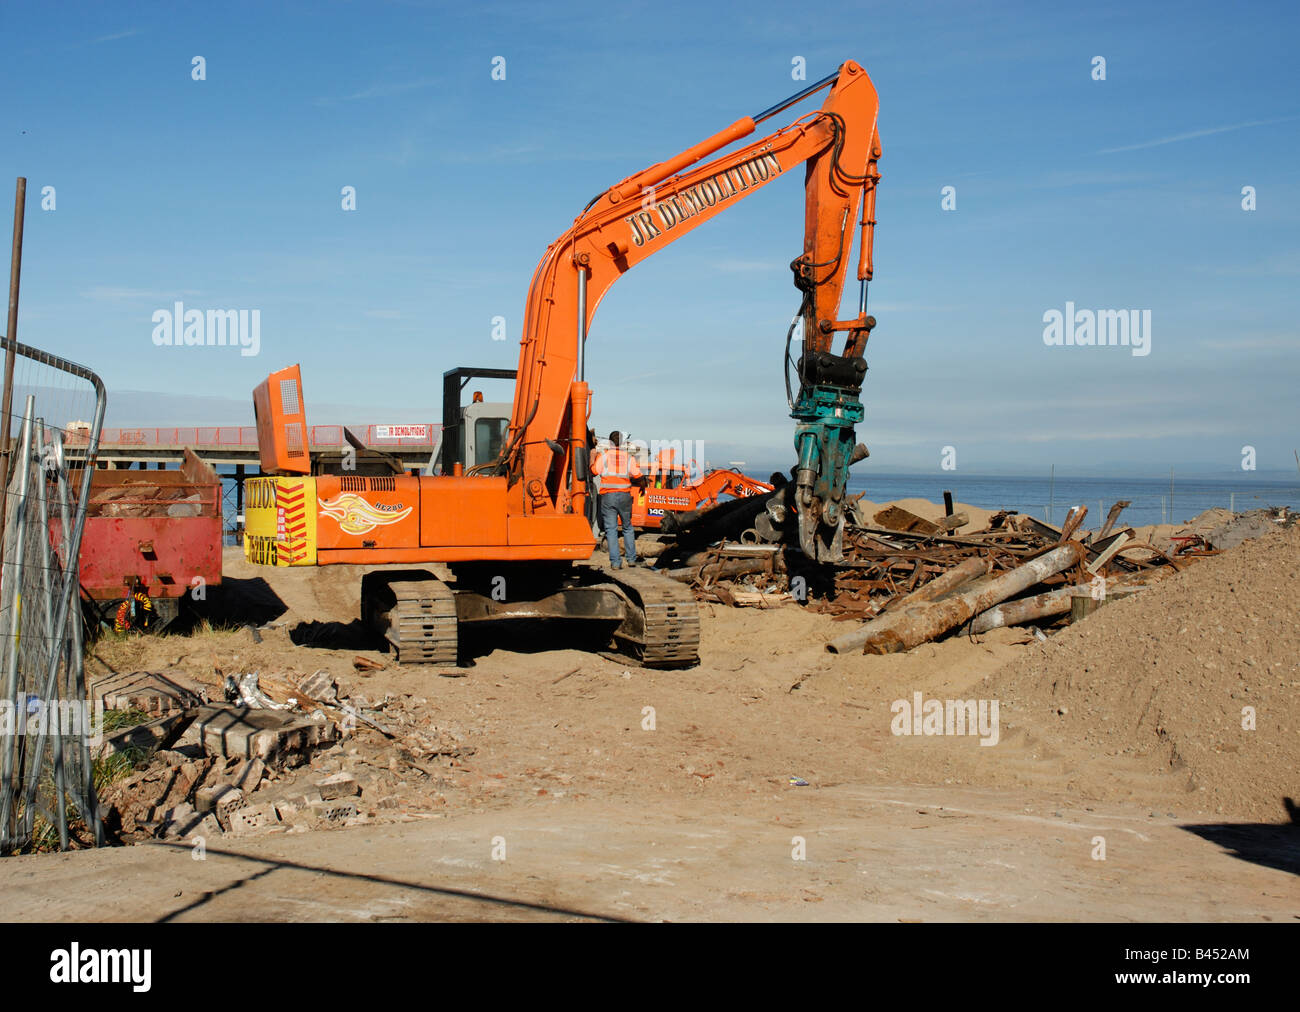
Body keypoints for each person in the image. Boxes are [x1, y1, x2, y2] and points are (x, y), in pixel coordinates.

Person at [591, 430, 643, 569]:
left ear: (609, 442)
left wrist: (591, 459)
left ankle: (615, 562)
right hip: (625, 496)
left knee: (611, 529)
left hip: (608, 497)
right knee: (627, 527)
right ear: (622, 443)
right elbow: (638, 475)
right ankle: (631, 559)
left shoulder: (604, 456)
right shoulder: (628, 457)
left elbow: (594, 471)